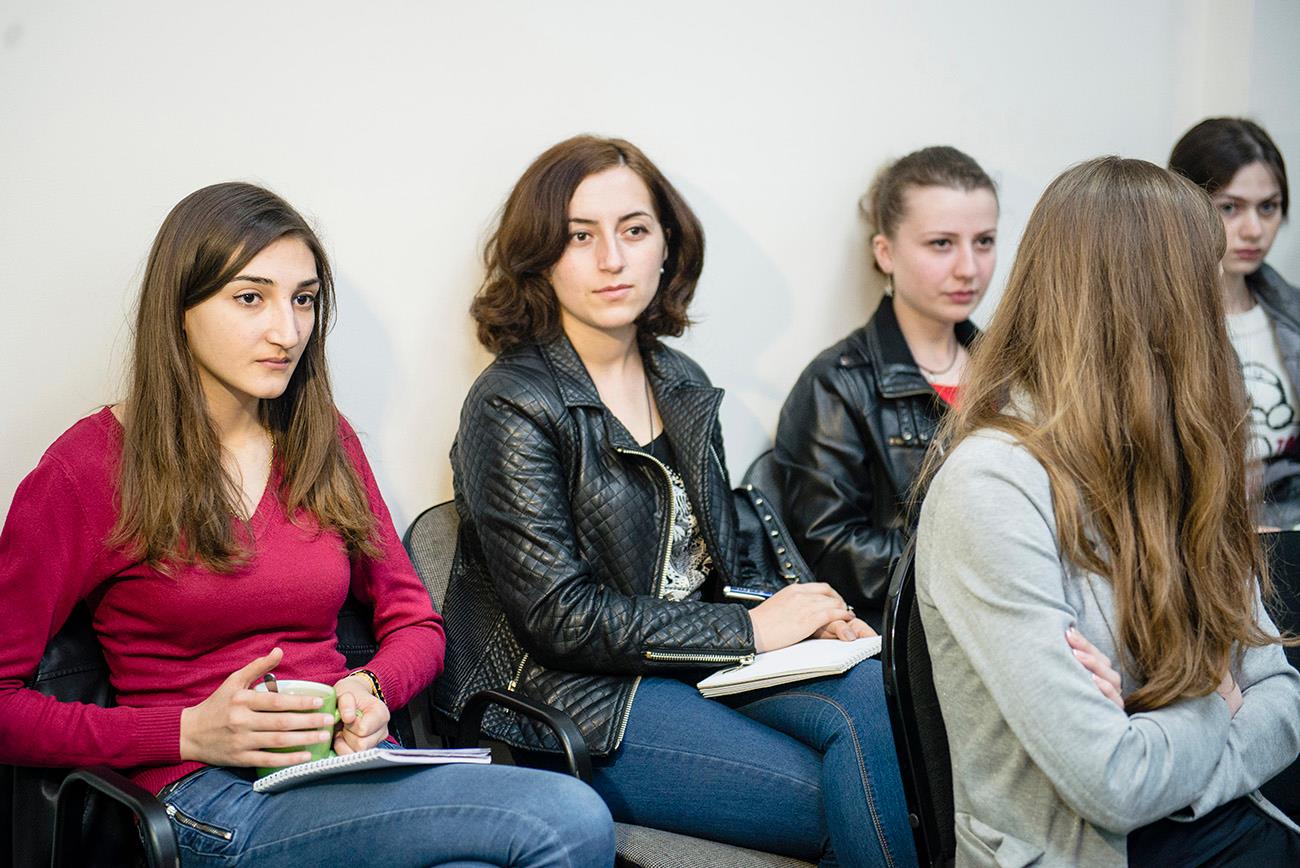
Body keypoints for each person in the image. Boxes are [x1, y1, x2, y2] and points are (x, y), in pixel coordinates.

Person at [0, 182, 614, 867]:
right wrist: (186, 733)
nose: (287, 332)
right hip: (202, 798)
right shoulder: (85, 469)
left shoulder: (324, 441)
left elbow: (416, 624)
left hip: (342, 770)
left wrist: (369, 690)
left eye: (304, 299)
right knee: (567, 816)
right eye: (250, 298)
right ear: (179, 309)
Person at [436, 135, 916, 867]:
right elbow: (559, 618)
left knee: (873, 700)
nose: (612, 259)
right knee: (846, 796)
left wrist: (803, 619)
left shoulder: (679, 378)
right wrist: (749, 630)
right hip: (577, 693)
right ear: (541, 256)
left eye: (634, 230)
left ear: (667, 245)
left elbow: (713, 563)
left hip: (692, 661)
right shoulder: (511, 402)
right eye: (580, 236)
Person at [916, 157, 1300, 867]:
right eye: (1204, 286)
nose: (1219, 315)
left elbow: (1281, 698)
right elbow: (1114, 782)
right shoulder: (993, 486)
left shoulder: (1183, 450)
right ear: (1154, 306)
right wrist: (1214, 694)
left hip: (1216, 820)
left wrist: (1164, 737)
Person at [773, 146, 998, 627]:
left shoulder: (1013, 373)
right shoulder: (838, 383)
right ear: (885, 252)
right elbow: (831, 549)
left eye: (984, 241)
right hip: (905, 635)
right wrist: (983, 557)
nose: (968, 267)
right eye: (941, 243)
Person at [1170, 118, 1299, 528]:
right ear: (1184, 207)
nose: (1254, 230)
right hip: (1203, 534)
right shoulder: (1161, 325)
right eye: (1229, 208)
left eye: (1268, 207)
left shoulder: (1292, 311)